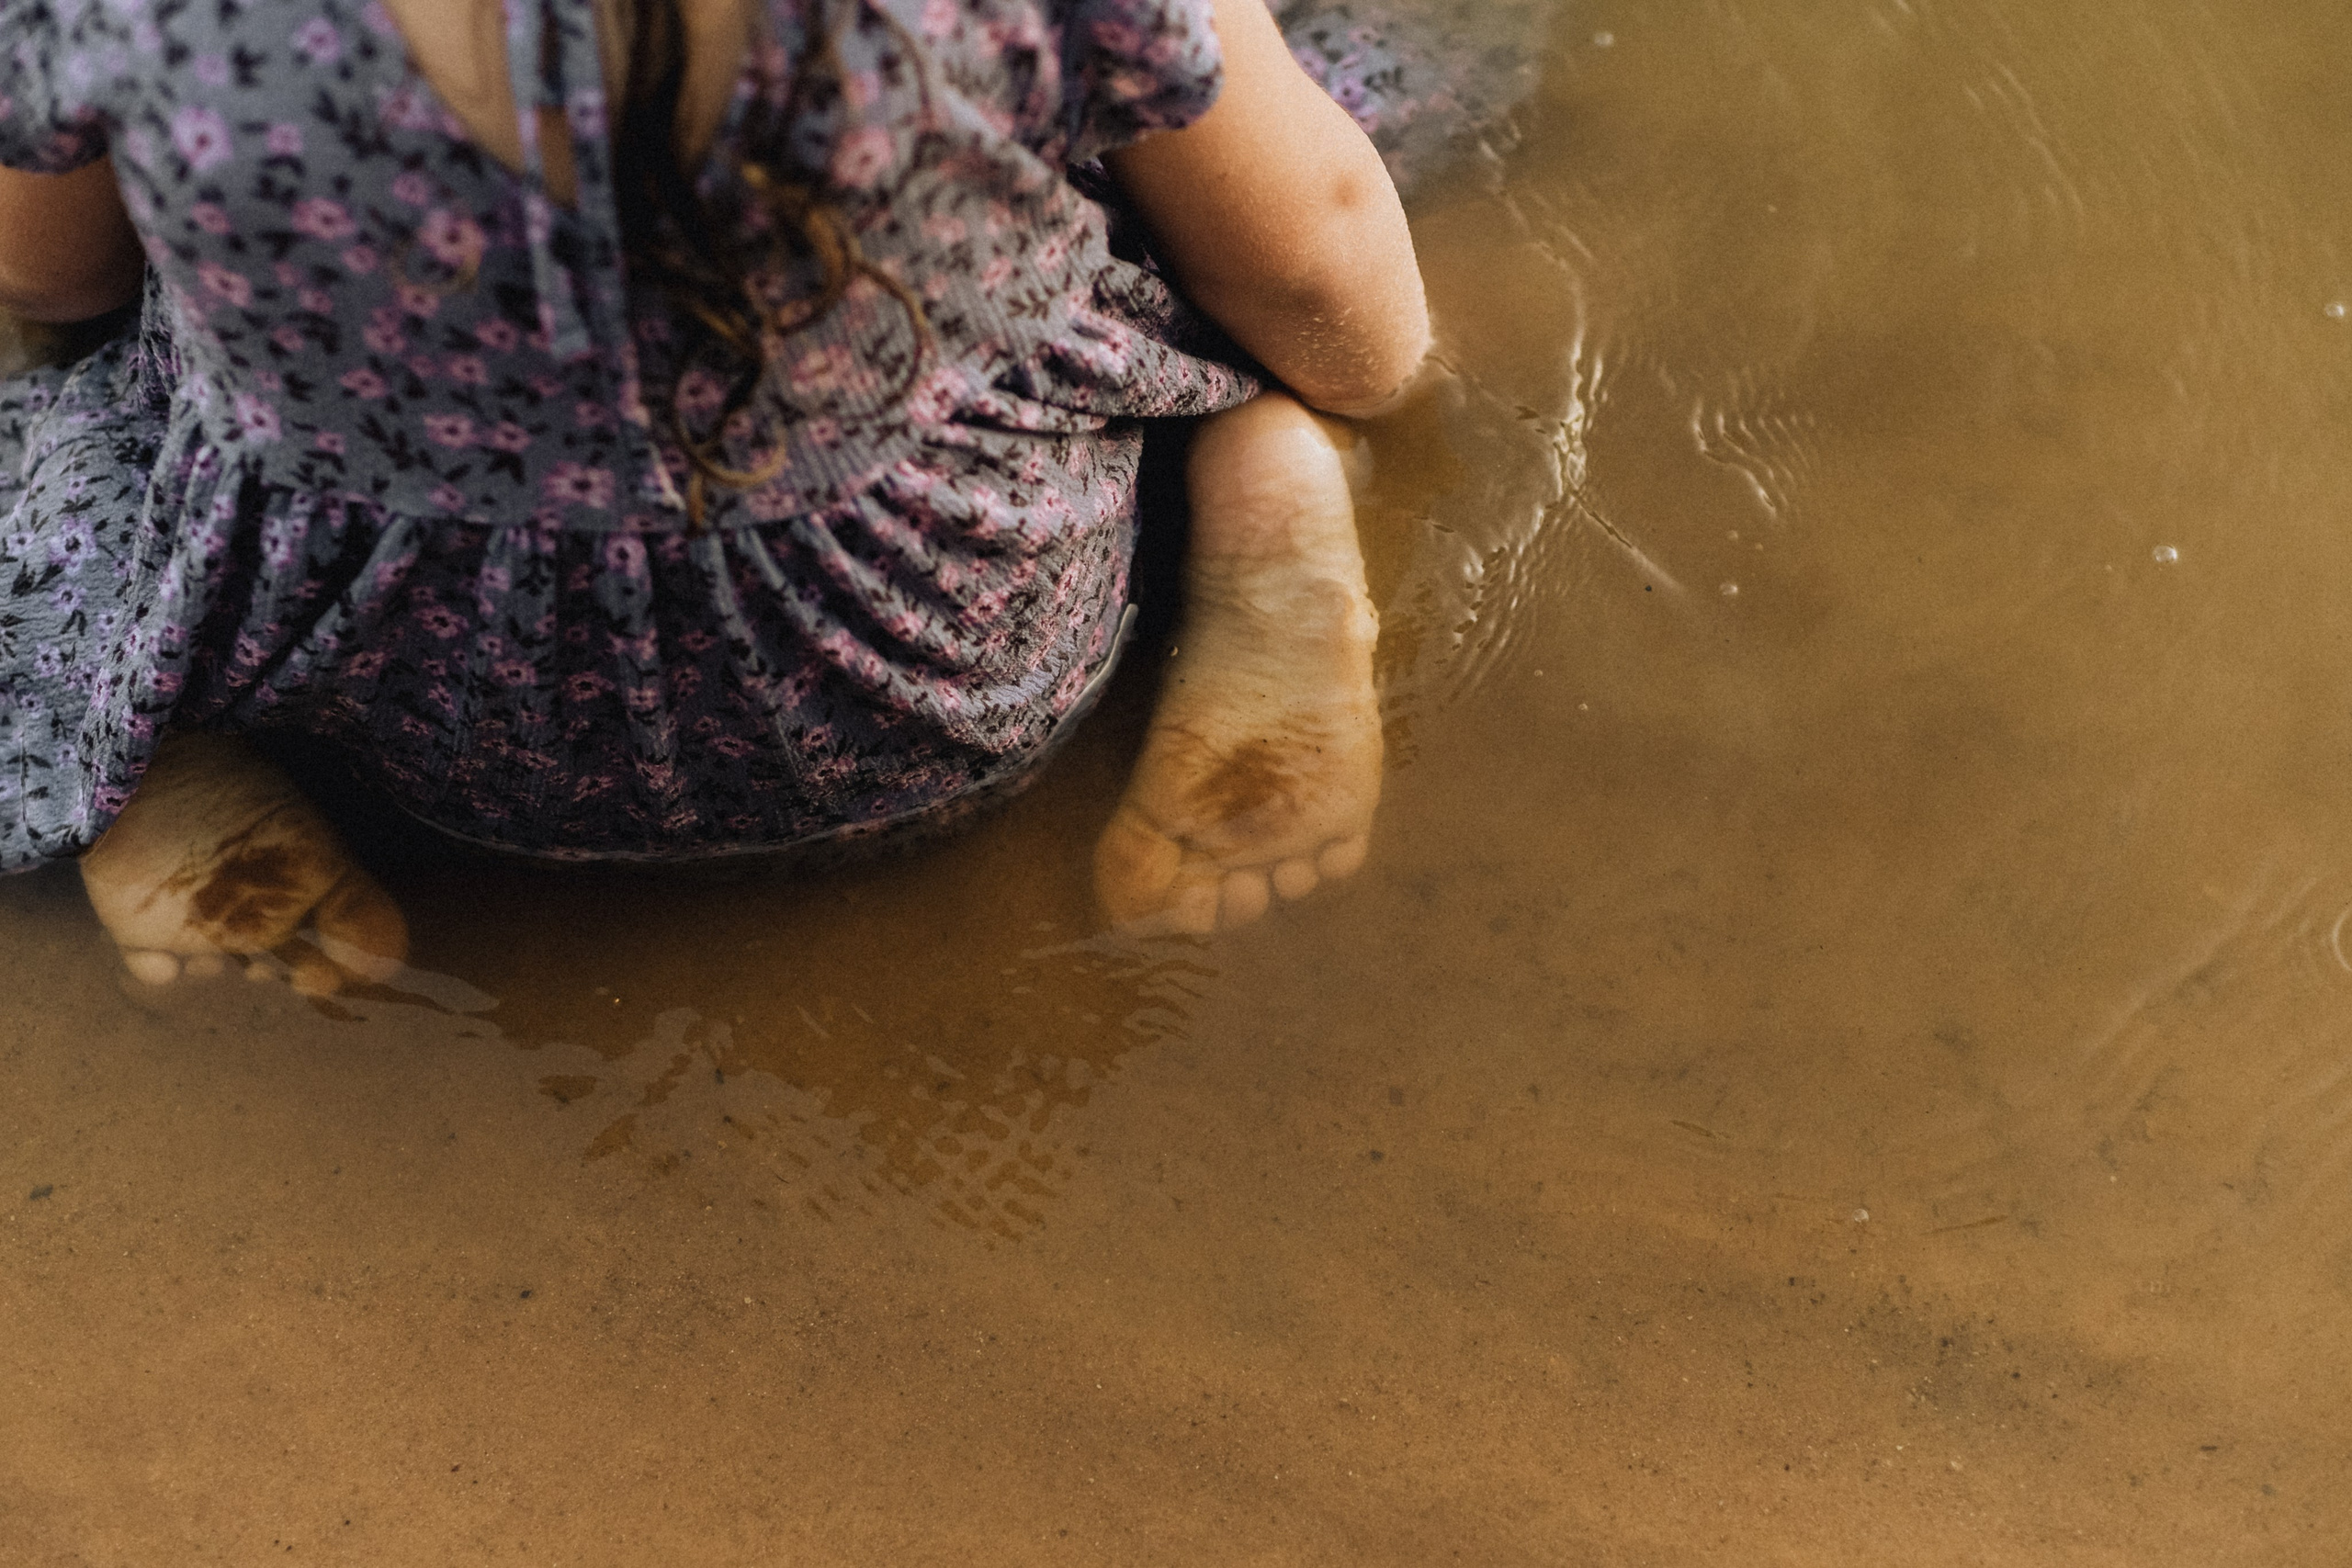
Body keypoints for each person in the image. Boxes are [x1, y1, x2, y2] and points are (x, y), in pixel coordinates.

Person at [0, 0, 1542, 990]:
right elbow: (1314, 249)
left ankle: (151, 739)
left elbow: (52, 271)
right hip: (939, 660)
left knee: (64, 414)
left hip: (413, 700)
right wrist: (1376, 398)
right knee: (1311, 109)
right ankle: (1255, 489)